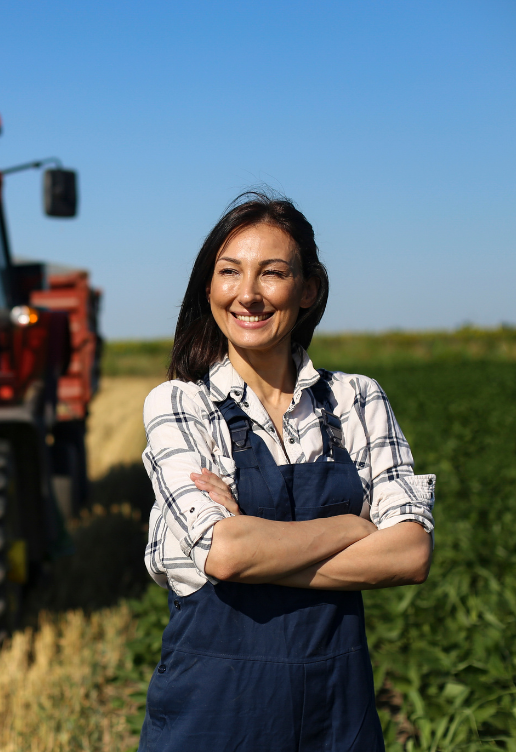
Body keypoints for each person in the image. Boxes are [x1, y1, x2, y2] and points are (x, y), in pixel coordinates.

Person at [138, 192, 435, 751]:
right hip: (210, 721)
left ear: (309, 290)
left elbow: (409, 554)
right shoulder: (180, 405)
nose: (247, 293)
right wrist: (353, 529)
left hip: (335, 720)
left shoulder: (357, 400)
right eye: (230, 272)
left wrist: (254, 550)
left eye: (272, 273)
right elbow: (224, 553)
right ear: (210, 287)